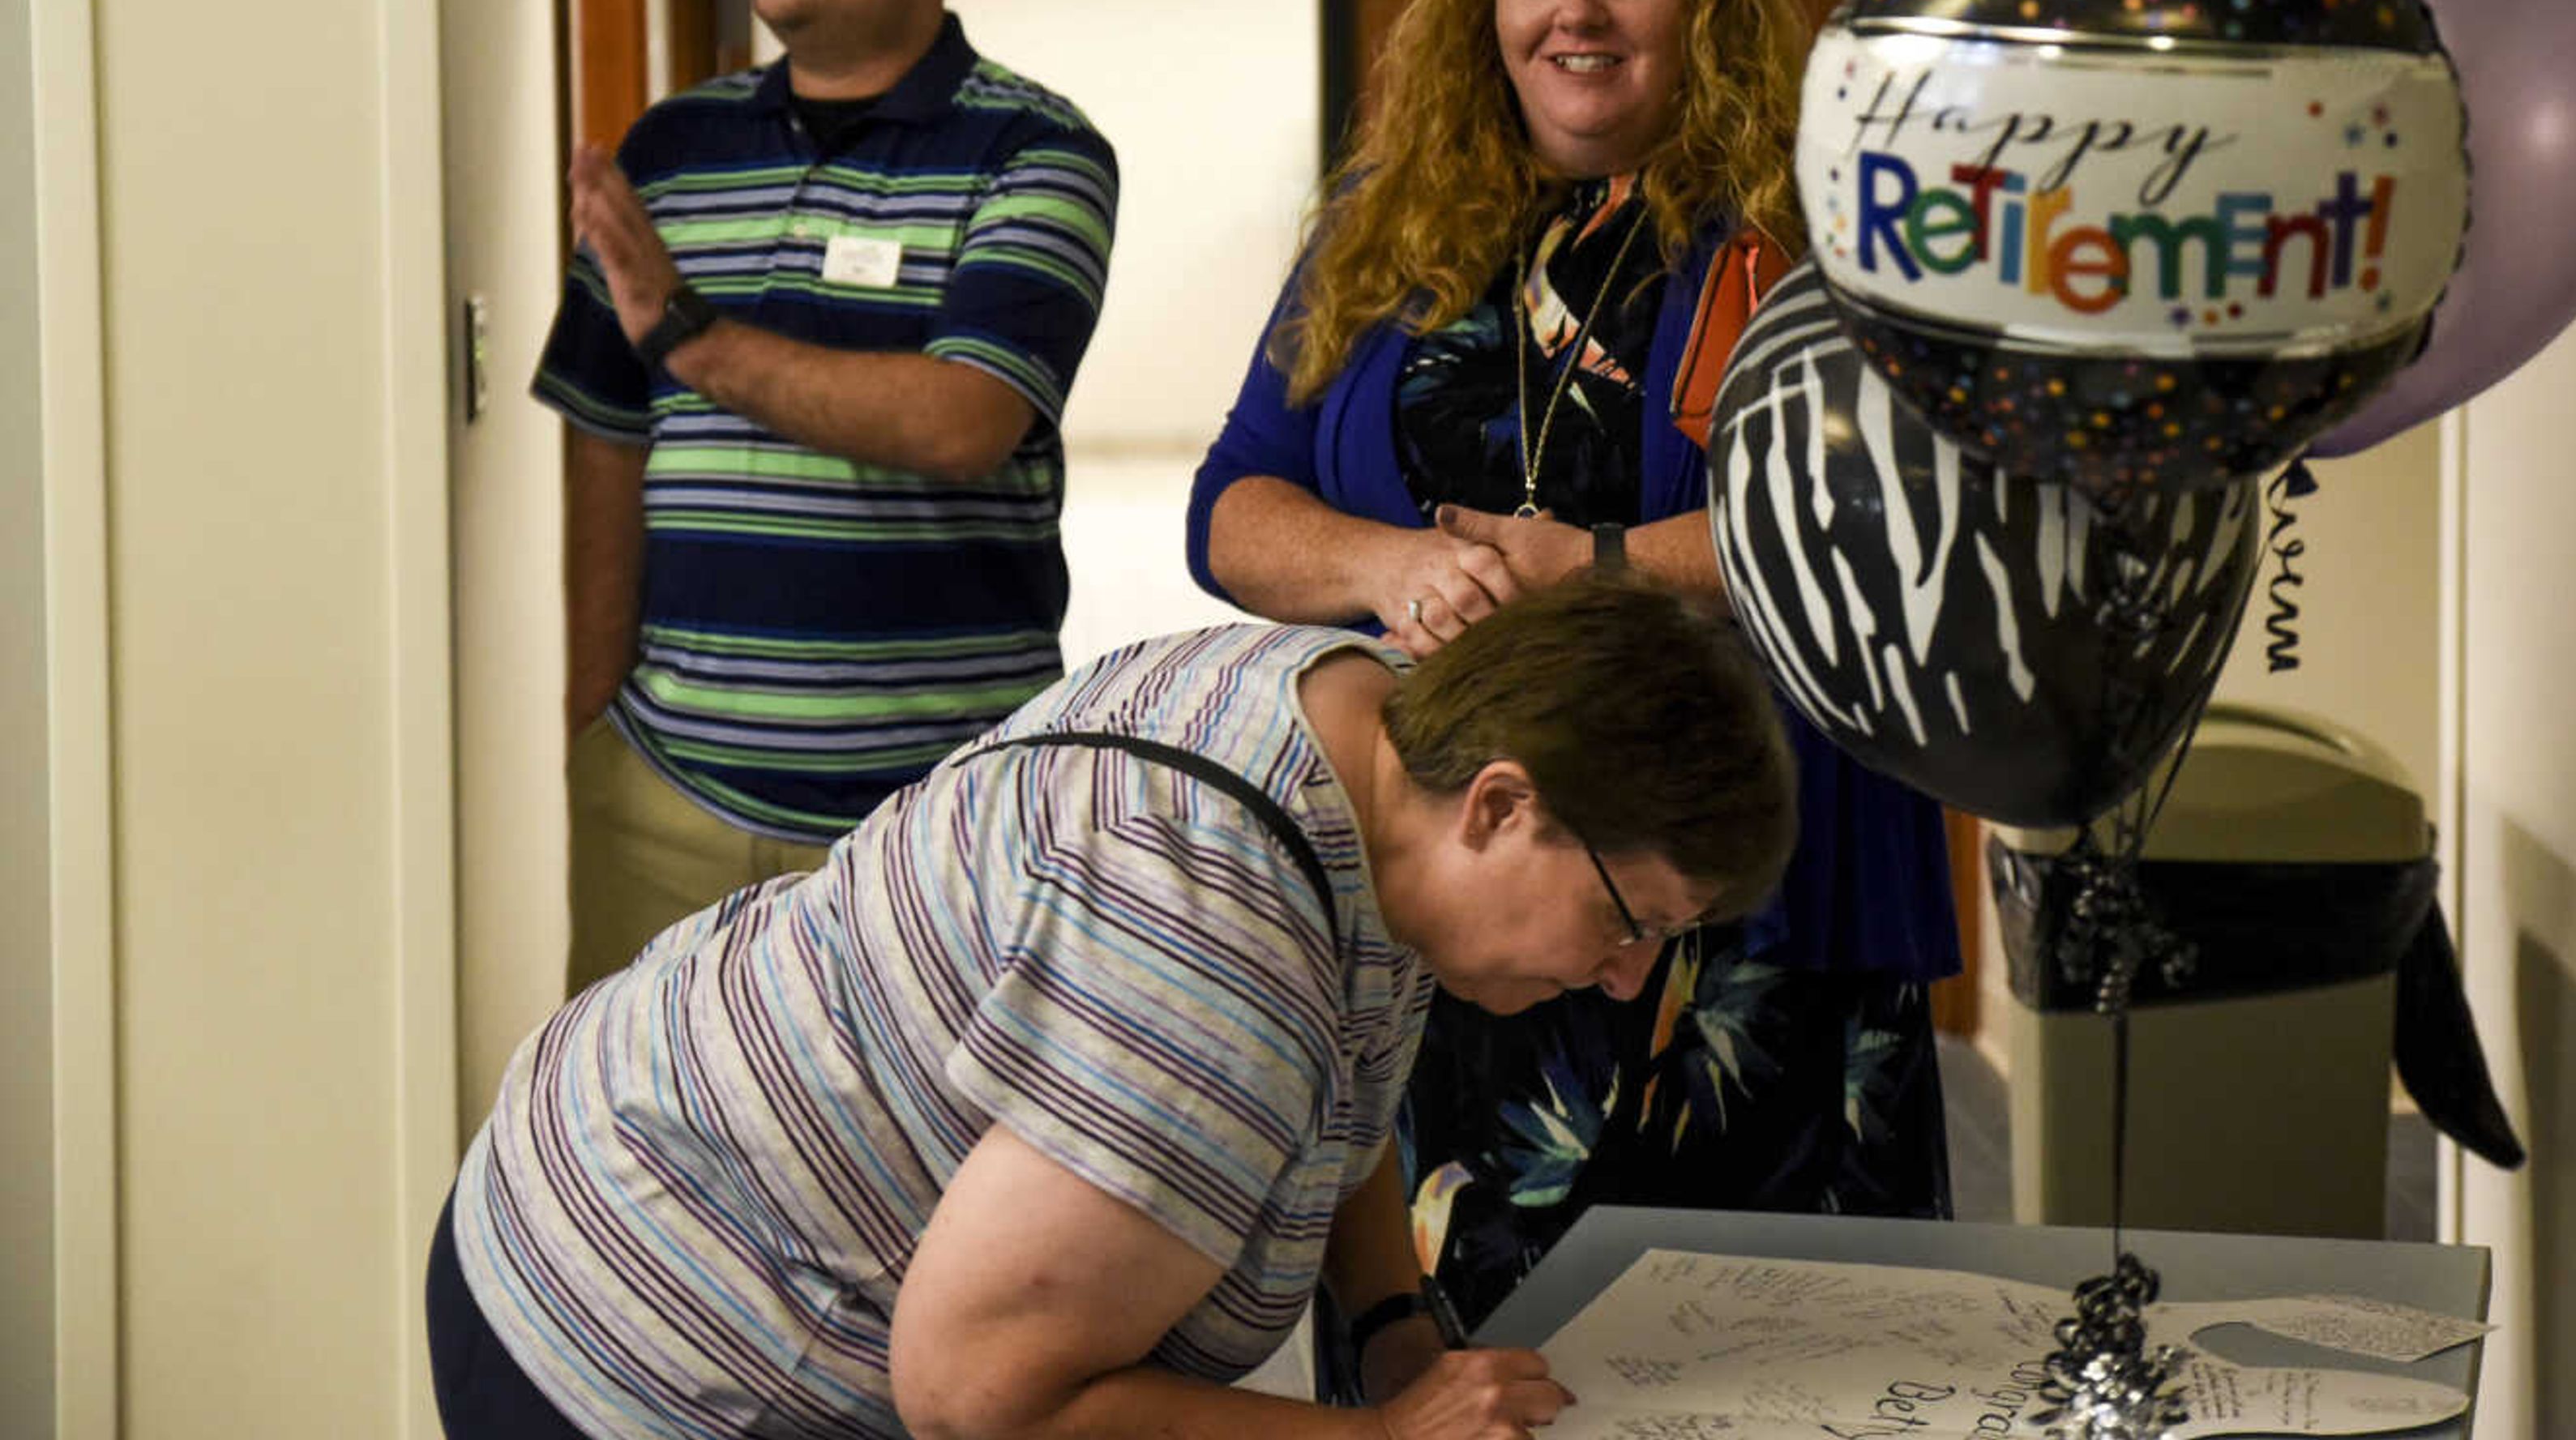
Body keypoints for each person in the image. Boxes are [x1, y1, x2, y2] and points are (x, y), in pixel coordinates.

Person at [428, 575, 1798, 1440]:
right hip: (648, 1324)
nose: (1630, 981)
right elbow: (983, 1399)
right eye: (1634, 923)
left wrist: (1390, 1329)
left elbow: (1347, 1076)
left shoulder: (1356, 713)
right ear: (1504, 804)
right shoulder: (1211, 957)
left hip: (650, 1140)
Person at [1187, 0, 1962, 1329]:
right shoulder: (1381, 224)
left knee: (1777, 1356)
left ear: (1704, 2)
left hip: (1740, 899)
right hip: (1466, 908)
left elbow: (1880, 511)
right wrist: (1389, 564)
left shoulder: (1810, 227)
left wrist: (1602, 565)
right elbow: (1231, 509)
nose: (1576, 16)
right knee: (1472, 1347)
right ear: (1486, 3)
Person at [533, 0, 1120, 992]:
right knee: (640, 1157)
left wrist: (692, 335)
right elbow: (606, 432)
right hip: (663, 799)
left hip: (932, 816)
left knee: (911, 1172)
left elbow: (964, 419)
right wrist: (591, 708)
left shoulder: (1037, 152)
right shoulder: (675, 149)